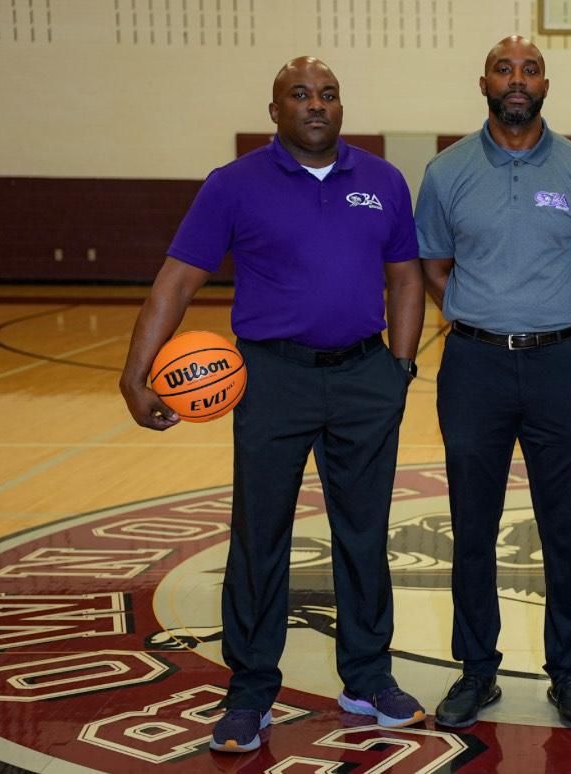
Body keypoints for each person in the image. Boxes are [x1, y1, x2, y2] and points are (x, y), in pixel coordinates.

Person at [118, 57, 427, 753]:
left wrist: (399, 368)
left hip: (363, 378)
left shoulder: (382, 180)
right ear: (275, 110)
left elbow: (405, 277)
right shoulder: (233, 185)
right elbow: (178, 279)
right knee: (260, 537)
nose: (317, 105)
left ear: (341, 106)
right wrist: (135, 374)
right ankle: (251, 689)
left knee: (364, 532)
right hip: (272, 378)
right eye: (301, 94)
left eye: (329, 94)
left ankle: (368, 677)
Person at [415, 35, 571, 729]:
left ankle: (569, 672)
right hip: (474, 367)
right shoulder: (446, 171)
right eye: (504, 69)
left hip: (560, 365)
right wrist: (480, 315)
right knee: (473, 526)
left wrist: (549, 314)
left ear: (545, 84)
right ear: (484, 83)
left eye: (530, 69)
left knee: (565, 528)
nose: (517, 79)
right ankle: (477, 670)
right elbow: (433, 265)